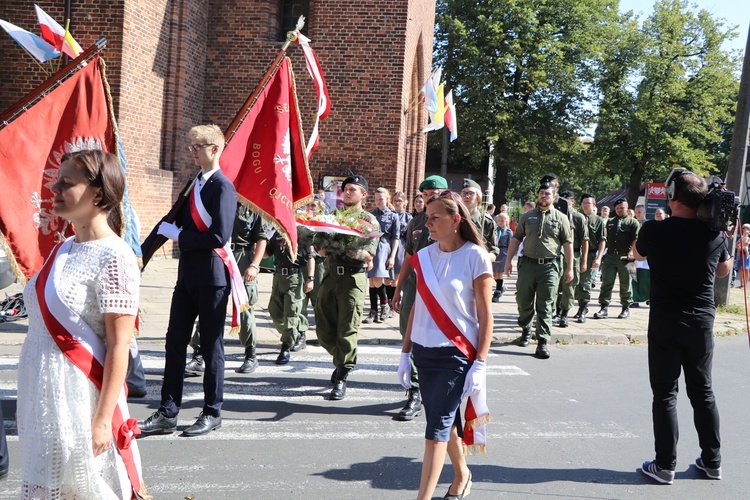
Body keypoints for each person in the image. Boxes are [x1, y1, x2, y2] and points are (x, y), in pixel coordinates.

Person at [17, 149, 146, 497]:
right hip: (42, 391)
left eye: (66, 183)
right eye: (56, 182)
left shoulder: (116, 256)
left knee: (83, 486)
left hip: (80, 394)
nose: (54, 190)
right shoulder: (63, 248)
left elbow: (120, 344)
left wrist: (103, 420)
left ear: (98, 193)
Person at [139, 124, 244, 437]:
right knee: (174, 343)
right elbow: (168, 221)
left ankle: (212, 411)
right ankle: (168, 412)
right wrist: (140, 257)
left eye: (196, 146)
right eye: (190, 146)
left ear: (214, 148)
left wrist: (181, 237)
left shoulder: (223, 187)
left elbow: (218, 235)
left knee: (211, 349)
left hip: (212, 280)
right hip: (186, 278)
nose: (192, 151)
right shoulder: (194, 183)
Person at [635, 169, 731, 485]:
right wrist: (719, 227)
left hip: (665, 320)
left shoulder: (653, 230)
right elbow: (723, 271)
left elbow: (637, 253)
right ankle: (712, 461)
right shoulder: (715, 235)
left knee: (665, 394)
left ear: (672, 195)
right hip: (702, 320)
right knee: (703, 391)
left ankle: (665, 465)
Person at [397, 190, 493, 500]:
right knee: (444, 418)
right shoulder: (423, 256)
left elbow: (485, 315)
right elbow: (417, 308)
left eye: (435, 217)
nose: (428, 223)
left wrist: (480, 362)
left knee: (435, 430)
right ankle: (463, 474)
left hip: (456, 353)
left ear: (455, 220)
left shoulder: (476, 256)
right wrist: (405, 351)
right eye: (426, 217)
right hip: (425, 352)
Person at [314, 174, 379, 400]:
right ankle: (342, 358)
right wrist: (330, 244)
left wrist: (340, 246)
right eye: (346, 189)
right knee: (322, 329)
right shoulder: (333, 217)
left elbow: (366, 254)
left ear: (364, 194)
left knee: (347, 328)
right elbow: (319, 245)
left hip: (352, 280)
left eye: (353, 189)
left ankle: (342, 374)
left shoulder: (369, 220)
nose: (348, 192)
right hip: (330, 276)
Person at [185, 203, 269, 374]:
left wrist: (255, 265)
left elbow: (262, 238)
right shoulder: (218, 198)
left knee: (244, 307)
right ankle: (199, 354)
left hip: (242, 257)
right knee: (210, 303)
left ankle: (250, 354)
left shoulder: (253, 205)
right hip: (218, 254)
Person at [392, 175, 448, 420]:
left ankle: (437, 386)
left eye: (434, 193)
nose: (429, 198)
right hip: (415, 288)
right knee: (410, 335)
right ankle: (414, 392)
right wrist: (397, 288)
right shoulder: (416, 221)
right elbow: (408, 257)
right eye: (425, 195)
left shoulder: (454, 220)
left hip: (442, 290)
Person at [504, 182, 573, 359]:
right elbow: (516, 239)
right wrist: (508, 261)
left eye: (547, 194)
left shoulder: (561, 218)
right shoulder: (527, 216)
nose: (544, 196)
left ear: (554, 197)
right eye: (541, 193)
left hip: (550, 267)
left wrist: (570, 268)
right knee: (523, 300)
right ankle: (526, 329)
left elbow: (567, 244)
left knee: (546, 304)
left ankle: (542, 342)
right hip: (527, 265)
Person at [266, 230, 315, 364]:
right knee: (274, 311)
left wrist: (310, 278)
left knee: (291, 314)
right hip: (278, 276)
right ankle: (293, 333)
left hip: (294, 277)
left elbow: (311, 257)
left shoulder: (302, 234)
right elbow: (266, 254)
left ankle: (285, 347)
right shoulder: (277, 234)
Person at [593, 198, 639, 320]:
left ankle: (625, 308)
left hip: (625, 257)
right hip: (611, 256)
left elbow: (636, 239)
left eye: (622, 208)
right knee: (606, 282)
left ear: (627, 207)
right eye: (617, 208)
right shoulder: (610, 222)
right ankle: (604, 308)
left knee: (625, 283)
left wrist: (631, 252)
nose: (619, 210)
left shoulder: (632, 222)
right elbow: (605, 239)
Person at [363, 187, 400, 323]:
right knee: (372, 281)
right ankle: (373, 311)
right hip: (371, 246)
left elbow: (395, 237)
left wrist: (392, 257)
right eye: (376, 199)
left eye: (381, 199)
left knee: (378, 278)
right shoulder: (371, 214)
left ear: (387, 199)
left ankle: (384, 305)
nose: (378, 201)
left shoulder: (393, 216)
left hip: (384, 247)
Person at [554, 191, 588, 327]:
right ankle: (557, 312)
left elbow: (585, 240)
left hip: (573, 254)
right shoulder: (556, 215)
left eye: (568, 200)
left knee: (569, 287)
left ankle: (564, 314)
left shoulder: (579, 218)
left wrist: (584, 261)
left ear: (573, 201)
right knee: (556, 286)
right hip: (557, 254)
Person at [573, 194, 606, 323]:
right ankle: (579, 306)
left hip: (591, 254)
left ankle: (583, 309)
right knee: (574, 283)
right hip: (576, 254)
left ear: (594, 205)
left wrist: (599, 258)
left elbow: (602, 240)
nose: (586, 205)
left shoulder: (598, 221)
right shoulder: (576, 218)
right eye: (583, 203)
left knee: (585, 283)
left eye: (588, 203)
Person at [460, 179, 500, 262]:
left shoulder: (487, 222)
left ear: (478, 197)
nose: (467, 196)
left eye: (471, 193)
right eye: (464, 193)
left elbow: (494, 250)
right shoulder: (454, 219)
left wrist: (485, 257)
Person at [390, 191, 412, 304]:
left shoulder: (408, 218)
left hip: (402, 246)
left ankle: (394, 298)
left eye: (399, 201)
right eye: (395, 200)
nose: (397, 203)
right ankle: (387, 301)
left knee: (397, 275)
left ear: (404, 203)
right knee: (387, 276)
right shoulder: (389, 215)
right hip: (390, 245)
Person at [492, 212, 513, 302]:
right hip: (494, 252)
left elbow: (511, 244)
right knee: (494, 274)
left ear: (506, 221)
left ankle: (497, 294)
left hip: (503, 253)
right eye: (499, 220)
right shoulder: (494, 230)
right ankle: (502, 286)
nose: (500, 222)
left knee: (499, 273)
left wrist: (509, 257)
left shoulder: (508, 232)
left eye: (502, 221)